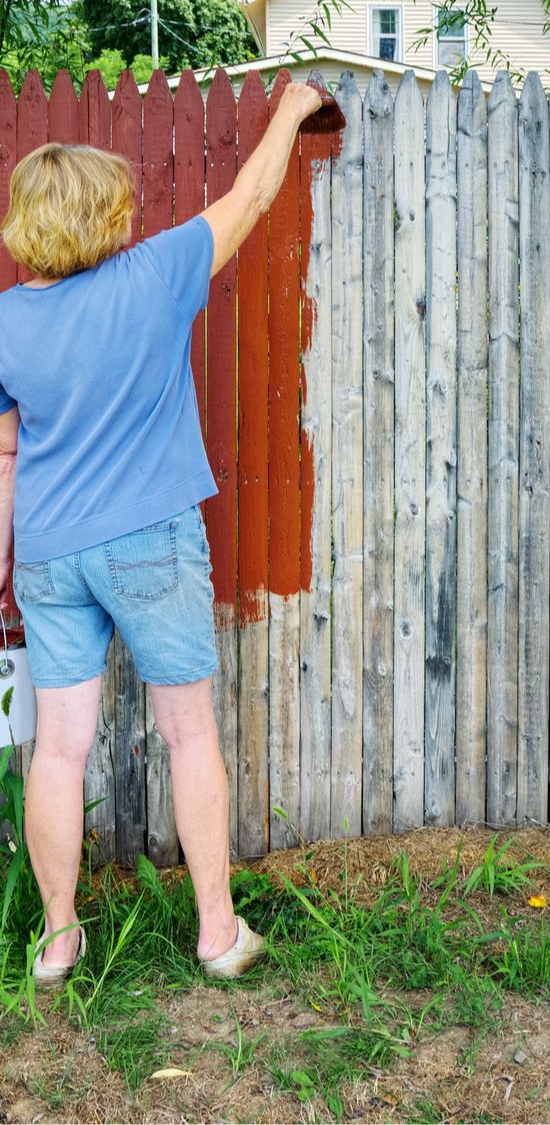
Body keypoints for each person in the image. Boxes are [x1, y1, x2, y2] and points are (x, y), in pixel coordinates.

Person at [0, 79, 323, 987]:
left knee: (57, 745)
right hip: (148, 539)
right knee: (187, 734)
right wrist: (294, 109)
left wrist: (3, 567)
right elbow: (254, 195)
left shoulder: (5, 323)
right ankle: (217, 934)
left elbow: (6, 457)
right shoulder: (151, 276)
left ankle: (59, 941)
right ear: (101, 217)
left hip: (51, 553)